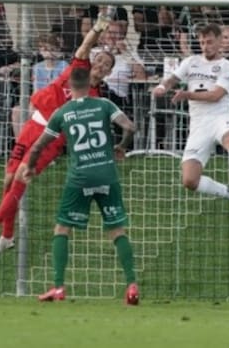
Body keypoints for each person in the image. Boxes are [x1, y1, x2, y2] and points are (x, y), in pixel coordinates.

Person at [0, 14, 116, 256]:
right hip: (33, 125)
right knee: (8, 178)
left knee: (20, 177)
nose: (100, 65)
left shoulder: (96, 98)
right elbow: (85, 46)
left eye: (106, 65)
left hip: (51, 138)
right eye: (98, 60)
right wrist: (97, 28)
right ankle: (7, 236)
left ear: (109, 73)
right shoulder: (78, 69)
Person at [17, 67, 139, 304]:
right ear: (89, 85)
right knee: (116, 230)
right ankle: (132, 286)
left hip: (80, 176)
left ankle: (59, 287)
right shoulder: (104, 104)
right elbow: (130, 127)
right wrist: (122, 147)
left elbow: (38, 146)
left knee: (62, 229)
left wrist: (30, 167)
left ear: (68, 88)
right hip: (106, 174)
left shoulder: (63, 112)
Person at [151, 23, 229, 216]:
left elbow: (216, 95)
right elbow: (172, 78)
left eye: (209, 42)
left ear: (220, 41)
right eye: (202, 42)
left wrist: (187, 95)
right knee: (189, 180)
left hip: (219, 116)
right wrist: (162, 87)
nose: (205, 46)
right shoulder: (191, 62)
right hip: (198, 124)